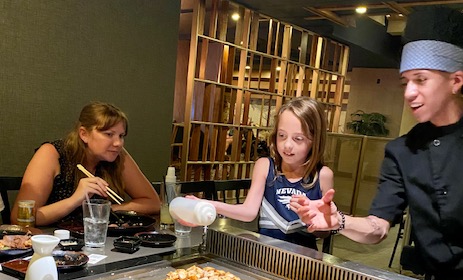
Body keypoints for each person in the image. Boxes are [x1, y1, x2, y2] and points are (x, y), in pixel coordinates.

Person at [291, 6, 463, 280]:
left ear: (456, 80)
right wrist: (339, 221)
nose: (409, 93)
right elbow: (378, 227)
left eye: (421, 80)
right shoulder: (403, 151)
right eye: (406, 82)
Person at [190, 97, 334, 249]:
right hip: (265, 253)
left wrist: (312, 221)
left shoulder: (323, 175)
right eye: (282, 135)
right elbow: (248, 212)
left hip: (304, 257)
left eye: (298, 138)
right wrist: (206, 204)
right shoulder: (265, 166)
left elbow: (325, 232)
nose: (287, 145)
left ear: (315, 140)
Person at [12, 102, 160, 226]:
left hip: (99, 240)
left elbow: (153, 203)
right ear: (84, 134)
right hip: (54, 242)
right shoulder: (52, 153)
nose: (118, 143)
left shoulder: (116, 155)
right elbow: (19, 217)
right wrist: (75, 200)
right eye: (109, 134)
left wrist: (105, 210)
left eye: (121, 136)